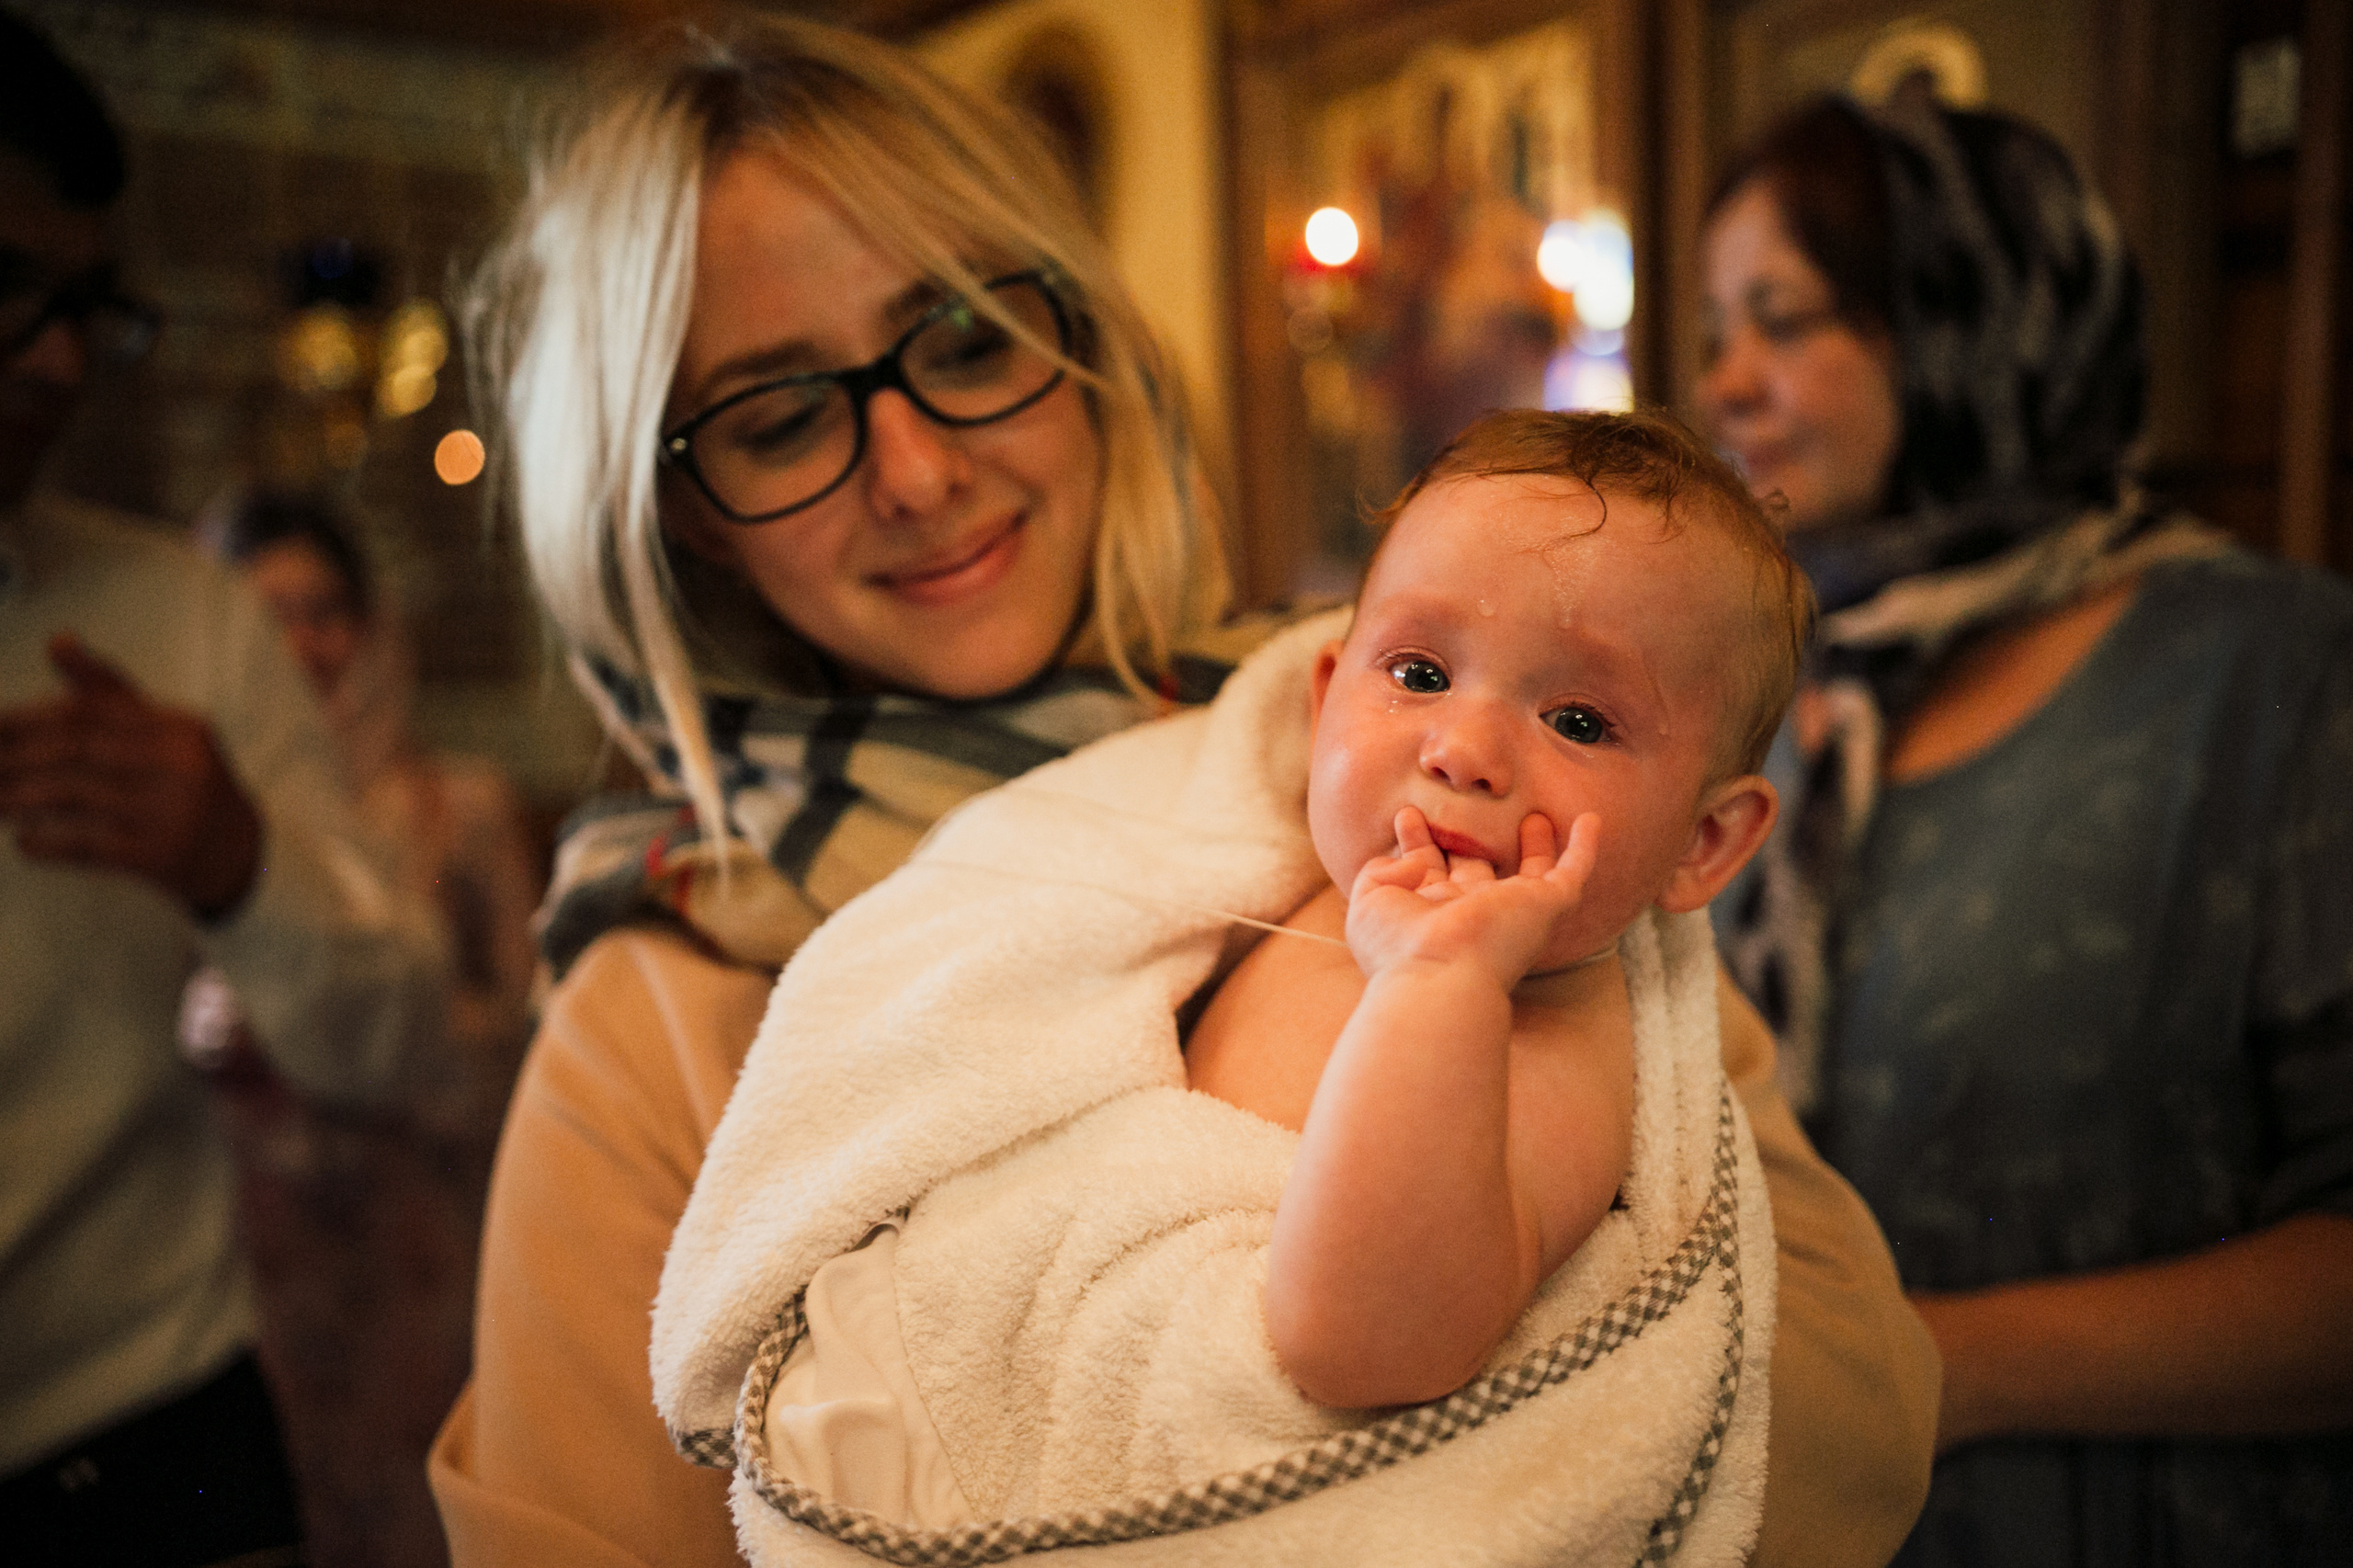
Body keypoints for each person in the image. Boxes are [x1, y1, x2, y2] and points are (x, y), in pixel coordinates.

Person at [426, 15, 1937, 1568]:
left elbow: (1837, 1404)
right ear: (683, 518)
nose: (919, 471)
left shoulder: (1437, 781)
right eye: (781, 414)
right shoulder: (649, 1016)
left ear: (1081, 348)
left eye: (960, 339)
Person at [651, 408, 1799, 1564]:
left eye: (1578, 719)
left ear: (1704, 841)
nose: (1463, 746)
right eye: (1418, 671)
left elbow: (1366, 1341)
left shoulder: (1548, 1034)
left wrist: (1438, 984)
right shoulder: (1281, 881)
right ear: (1320, 702)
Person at [1697, 91, 2353, 1564]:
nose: (1727, 381)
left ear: (1972, 323)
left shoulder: (2277, 675)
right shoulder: (1756, 678)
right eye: (1714, 329)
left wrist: (1943, 1365)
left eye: (1784, 319)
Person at [0, 17, 451, 1566]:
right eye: (12, 293)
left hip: (160, 1427)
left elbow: (398, 1033)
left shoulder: (178, 624)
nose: (59, 358)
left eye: (89, 307)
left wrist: (239, 860)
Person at [185, 491, 540, 1566]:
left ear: (372, 623)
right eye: (265, 615)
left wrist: (376, 1031)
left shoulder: (458, 808)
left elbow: (536, 1036)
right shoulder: (189, 824)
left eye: (324, 608)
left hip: (425, 1253)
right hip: (242, 1271)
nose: (301, 643)